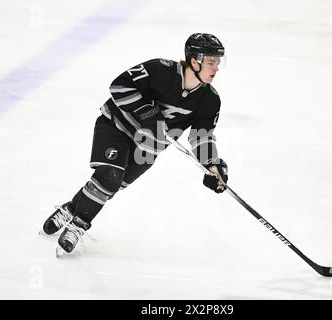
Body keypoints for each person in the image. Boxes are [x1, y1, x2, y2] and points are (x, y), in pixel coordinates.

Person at [42, 33, 230, 254]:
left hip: (148, 149)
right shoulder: (160, 70)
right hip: (116, 127)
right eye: (211, 62)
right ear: (193, 61)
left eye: (218, 62)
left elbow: (202, 136)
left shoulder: (210, 100)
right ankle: (78, 225)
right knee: (109, 178)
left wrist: (212, 164)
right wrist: (147, 112)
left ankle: (72, 208)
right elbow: (119, 86)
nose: (216, 68)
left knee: (111, 187)